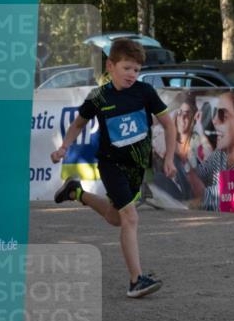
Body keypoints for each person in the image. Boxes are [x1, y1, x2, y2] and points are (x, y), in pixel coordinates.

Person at [51, 38, 176, 298]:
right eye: (127, 68)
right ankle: (135, 281)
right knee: (131, 217)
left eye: (137, 70)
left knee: (115, 217)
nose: (132, 74)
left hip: (136, 167)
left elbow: (169, 125)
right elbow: (77, 125)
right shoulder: (99, 96)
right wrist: (64, 147)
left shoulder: (144, 92)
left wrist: (170, 158)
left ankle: (77, 193)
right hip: (111, 165)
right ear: (111, 66)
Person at [186, 90, 234, 211]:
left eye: (222, 116)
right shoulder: (221, 154)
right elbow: (200, 174)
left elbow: (204, 197)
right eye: (215, 113)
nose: (214, 120)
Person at [151, 92, 202, 203]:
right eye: (179, 113)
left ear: (194, 116)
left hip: (193, 195)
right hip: (174, 194)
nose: (183, 117)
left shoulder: (198, 142)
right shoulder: (165, 139)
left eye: (187, 114)